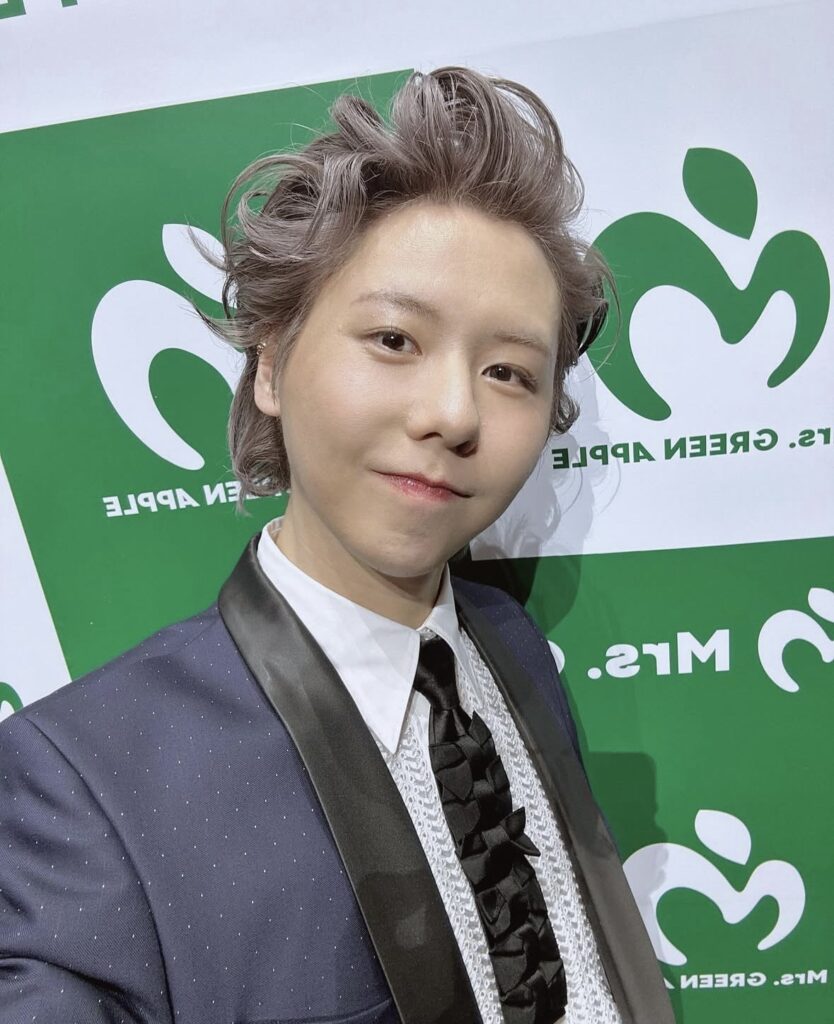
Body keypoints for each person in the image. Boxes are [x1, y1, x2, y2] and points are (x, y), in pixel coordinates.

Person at [0, 67, 674, 1024]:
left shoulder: (511, 643)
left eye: (509, 372)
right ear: (271, 363)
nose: (454, 413)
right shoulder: (84, 784)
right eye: (395, 340)